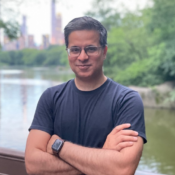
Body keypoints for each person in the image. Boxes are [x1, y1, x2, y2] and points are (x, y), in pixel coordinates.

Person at [25, 16, 147, 175]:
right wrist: (102, 156)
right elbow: (33, 165)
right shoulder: (51, 98)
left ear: (104, 51)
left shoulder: (126, 100)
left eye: (91, 48)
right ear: (68, 52)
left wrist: (58, 146)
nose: (82, 57)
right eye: (75, 49)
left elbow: (122, 170)